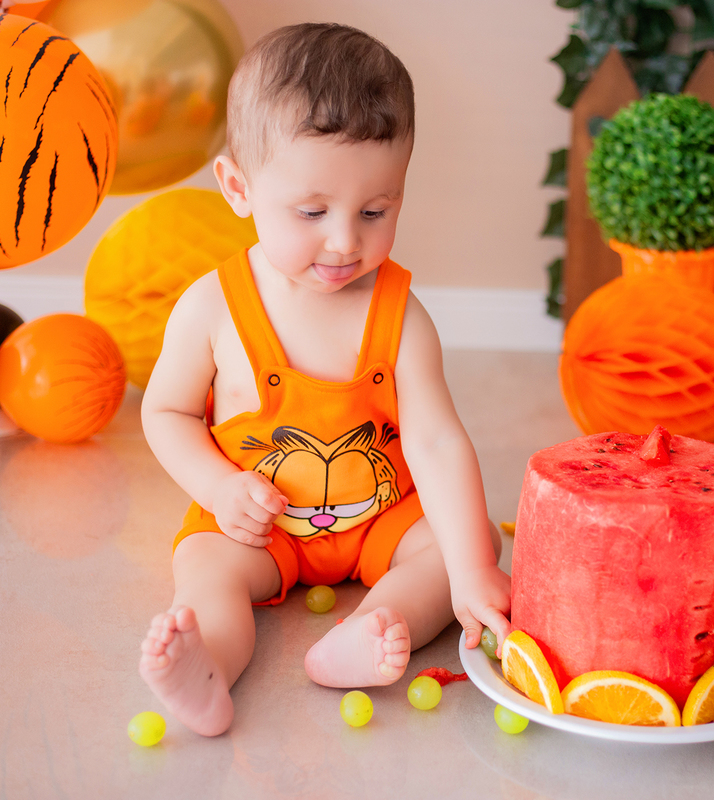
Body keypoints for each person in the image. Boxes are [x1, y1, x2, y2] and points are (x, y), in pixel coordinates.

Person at [137, 22, 510, 736]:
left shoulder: (402, 315)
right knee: (209, 575)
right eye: (311, 212)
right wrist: (218, 489)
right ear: (238, 187)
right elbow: (167, 414)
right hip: (255, 522)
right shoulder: (212, 307)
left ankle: (369, 630)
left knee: (468, 543)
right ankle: (206, 666)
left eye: (376, 211)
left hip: (381, 519)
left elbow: (434, 443)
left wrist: (469, 570)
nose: (345, 240)